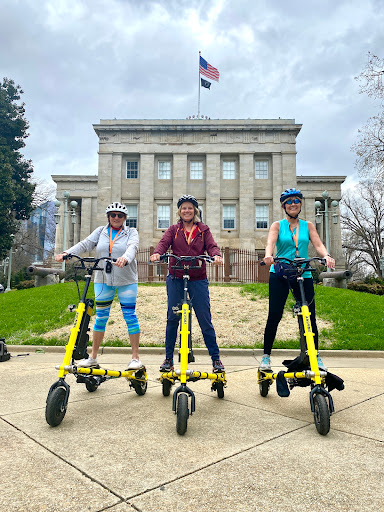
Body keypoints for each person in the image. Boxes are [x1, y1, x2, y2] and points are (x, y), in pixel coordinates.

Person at [55, 201, 143, 370]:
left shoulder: (131, 232)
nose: (116, 218)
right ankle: (93, 357)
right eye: (113, 215)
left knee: (130, 316)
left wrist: (125, 258)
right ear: (108, 217)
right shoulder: (101, 232)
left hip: (127, 280)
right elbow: (85, 244)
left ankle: (135, 358)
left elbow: (133, 247)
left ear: (125, 218)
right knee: (101, 317)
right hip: (103, 279)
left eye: (120, 215)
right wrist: (67, 253)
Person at [260, 188, 335, 371]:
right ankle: (266, 357)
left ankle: (314, 355)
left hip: (303, 274)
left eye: (296, 200)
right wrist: (268, 256)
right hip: (280, 273)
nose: (293, 204)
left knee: (309, 316)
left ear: (300, 204)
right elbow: (270, 243)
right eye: (289, 201)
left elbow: (318, 244)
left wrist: (326, 256)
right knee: (275, 315)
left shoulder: (308, 225)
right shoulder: (277, 225)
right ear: (284, 206)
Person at [150, 194, 225, 373]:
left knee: (205, 319)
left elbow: (212, 246)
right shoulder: (173, 230)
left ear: (195, 211)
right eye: (184, 208)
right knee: (172, 318)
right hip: (176, 277)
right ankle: (168, 359)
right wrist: (157, 254)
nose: (187, 211)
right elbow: (163, 244)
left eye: (190, 208)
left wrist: (216, 255)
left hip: (197, 278)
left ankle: (216, 360)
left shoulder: (203, 229)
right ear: (179, 211)